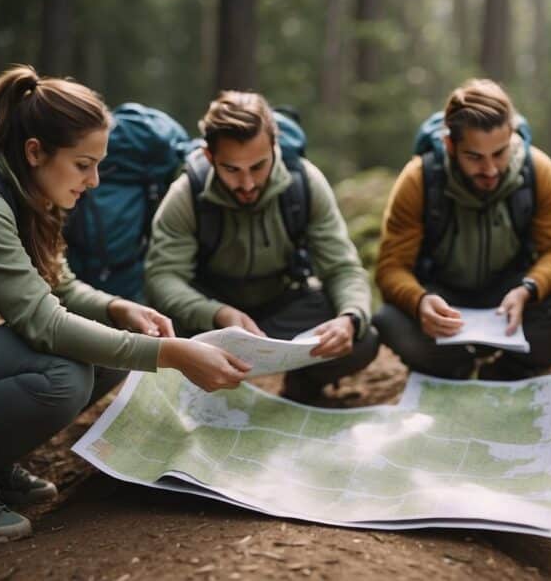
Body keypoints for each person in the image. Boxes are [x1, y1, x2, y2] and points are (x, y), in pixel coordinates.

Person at [0, 66, 252, 540]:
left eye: (98, 164)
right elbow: (43, 324)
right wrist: (172, 355)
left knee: (114, 350)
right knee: (63, 373)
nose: (95, 180)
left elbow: (60, 287)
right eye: (84, 164)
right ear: (35, 151)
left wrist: (120, 308)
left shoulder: (22, 187)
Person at [145, 91, 378, 401]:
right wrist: (217, 314)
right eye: (232, 170)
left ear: (274, 147)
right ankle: (197, 397)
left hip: (282, 303)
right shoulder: (186, 194)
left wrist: (350, 318)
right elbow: (162, 277)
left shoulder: (305, 183)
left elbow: (342, 268)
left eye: (258, 166)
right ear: (210, 157)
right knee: (162, 335)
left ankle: (303, 388)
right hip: (211, 315)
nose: (248, 184)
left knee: (362, 340)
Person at [373, 79, 551, 380]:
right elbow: (390, 268)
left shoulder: (538, 170)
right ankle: (454, 368)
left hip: (511, 300)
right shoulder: (419, 178)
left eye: (499, 153)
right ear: (450, 145)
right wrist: (420, 302)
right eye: (474, 157)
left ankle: (509, 370)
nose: (490, 170)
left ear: (511, 136)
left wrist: (529, 289)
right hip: (443, 302)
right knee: (389, 319)